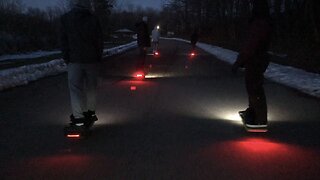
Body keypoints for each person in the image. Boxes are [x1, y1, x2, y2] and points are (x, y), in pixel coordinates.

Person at [60, 0, 103, 126]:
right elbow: (99, 40)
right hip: (92, 59)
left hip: (74, 60)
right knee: (91, 88)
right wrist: (98, 56)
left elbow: (63, 40)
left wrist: (66, 58)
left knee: (75, 89)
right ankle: (90, 112)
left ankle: (78, 116)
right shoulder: (93, 19)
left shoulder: (65, 19)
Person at [232, 0, 272, 131]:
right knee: (252, 86)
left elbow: (251, 45)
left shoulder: (259, 23)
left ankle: (260, 120)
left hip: (256, 58)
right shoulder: (262, 21)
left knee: (254, 87)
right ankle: (253, 112)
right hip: (257, 58)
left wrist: (239, 62)